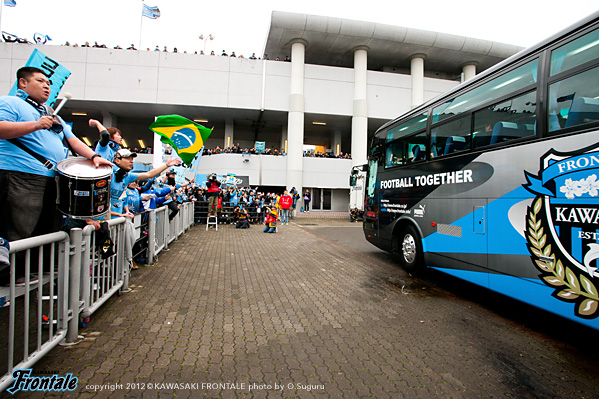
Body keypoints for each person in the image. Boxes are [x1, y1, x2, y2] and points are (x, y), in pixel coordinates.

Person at [0, 67, 113, 283]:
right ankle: (11, 274)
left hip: (51, 178)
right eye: (40, 81)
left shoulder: (51, 113)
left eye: (48, 83)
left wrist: (94, 156)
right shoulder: (10, 102)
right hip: (19, 174)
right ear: (23, 83)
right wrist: (34, 125)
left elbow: (72, 140)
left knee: (47, 227)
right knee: (19, 225)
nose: (46, 86)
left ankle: (35, 270)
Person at [110, 149, 181, 270]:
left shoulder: (127, 176)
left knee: (126, 245)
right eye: (128, 159)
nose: (131, 161)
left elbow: (149, 175)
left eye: (132, 159)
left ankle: (120, 275)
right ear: (117, 160)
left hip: (120, 221)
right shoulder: (108, 173)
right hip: (108, 221)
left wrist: (167, 165)